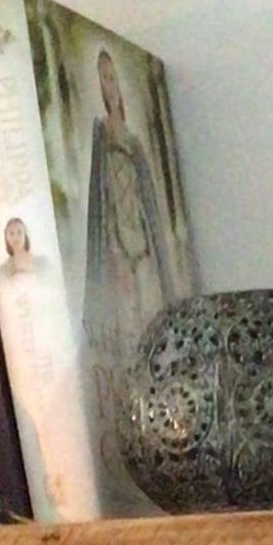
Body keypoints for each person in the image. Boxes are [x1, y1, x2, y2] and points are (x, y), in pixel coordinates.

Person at [81, 47, 181, 501]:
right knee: (129, 336)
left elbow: (149, 205)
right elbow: (98, 205)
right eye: (101, 79)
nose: (109, 87)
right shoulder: (100, 137)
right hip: (119, 251)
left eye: (112, 78)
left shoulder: (137, 144)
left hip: (141, 243)